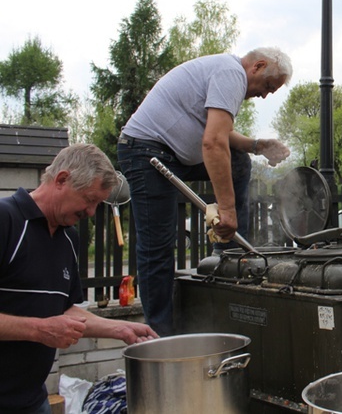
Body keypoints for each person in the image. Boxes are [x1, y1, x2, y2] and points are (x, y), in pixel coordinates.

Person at [118, 47, 293, 336]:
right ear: (258, 66)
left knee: (239, 162)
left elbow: (220, 133)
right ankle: (160, 335)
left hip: (170, 152)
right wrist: (227, 211)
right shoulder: (231, 73)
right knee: (157, 247)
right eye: (268, 87)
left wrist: (258, 146)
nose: (264, 95)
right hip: (145, 151)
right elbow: (213, 144)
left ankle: (227, 257)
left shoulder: (225, 73)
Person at [0, 144, 158, 414]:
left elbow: (65, 311)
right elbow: (47, 325)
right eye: (90, 199)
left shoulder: (68, 237)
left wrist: (120, 330)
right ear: (62, 180)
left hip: (32, 402)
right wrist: (39, 330)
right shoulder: (6, 220)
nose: (91, 212)